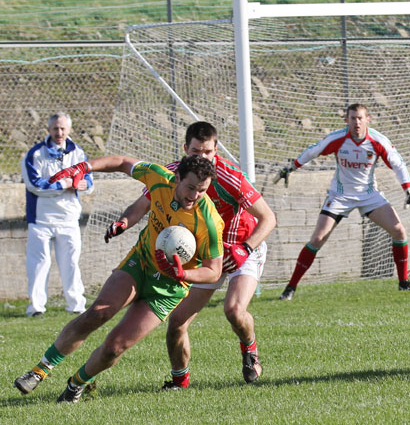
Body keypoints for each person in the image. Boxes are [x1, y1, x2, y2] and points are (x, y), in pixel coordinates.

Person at [14, 154, 224, 403]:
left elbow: (214, 270)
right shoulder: (159, 177)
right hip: (140, 264)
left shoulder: (209, 221)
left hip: (168, 288)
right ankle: (40, 370)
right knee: (97, 313)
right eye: (190, 187)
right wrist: (85, 166)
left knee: (116, 347)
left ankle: (76, 384)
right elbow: (123, 163)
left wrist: (183, 274)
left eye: (202, 190)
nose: (195, 196)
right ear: (176, 177)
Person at [104, 121, 276, 387]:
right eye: (196, 152)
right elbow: (143, 205)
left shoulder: (231, 177)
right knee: (177, 322)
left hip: (242, 249)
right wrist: (124, 222)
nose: (202, 158)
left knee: (233, 310)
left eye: (207, 152)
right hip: (205, 257)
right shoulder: (173, 175)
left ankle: (249, 349)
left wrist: (245, 248)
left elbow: (268, 218)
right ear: (186, 150)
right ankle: (179, 380)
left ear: (216, 150)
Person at [274, 103, 410, 301]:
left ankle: (403, 282)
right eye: (352, 118)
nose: (356, 122)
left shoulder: (378, 141)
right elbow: (313, 151)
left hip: (369, 195)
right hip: (340, 196)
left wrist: (408, 191)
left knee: (399, 231)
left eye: (360, 118)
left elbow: (398, 164)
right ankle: (290, 288)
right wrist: (290, 168)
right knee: (317, 239)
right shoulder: (338, 138)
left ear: (368, 119)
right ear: (347, 120)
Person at [20, 112, 94, 317]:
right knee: (38, 265)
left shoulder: (78, 153)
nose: (59, 132)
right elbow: (34, 185)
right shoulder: (34, 154)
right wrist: (64, 184)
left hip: (69, 219)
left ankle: (76, 305)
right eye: (55, 129)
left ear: (69, 129)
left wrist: (82, 184)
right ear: (48, 130)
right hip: (41, 220)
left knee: (71, 263)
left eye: (63, 128)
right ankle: (36, 307)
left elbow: (89, 181)